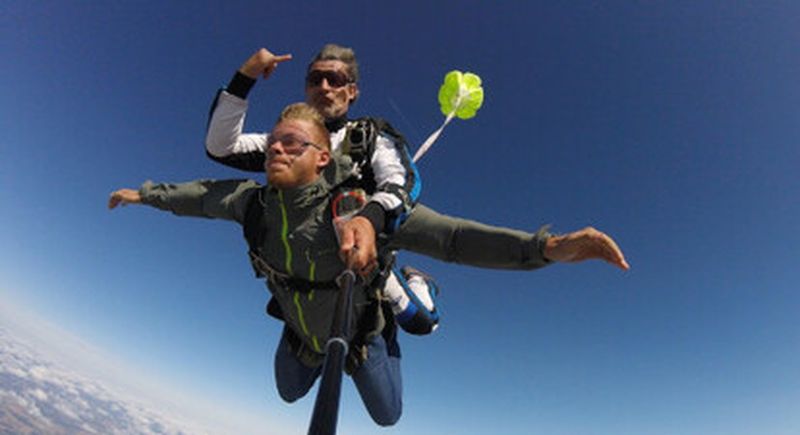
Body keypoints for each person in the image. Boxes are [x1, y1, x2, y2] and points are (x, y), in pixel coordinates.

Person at [110, 102, 629, 427]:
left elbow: (451, 237)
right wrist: (145, 195)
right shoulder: (254, 202)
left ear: (322, 158)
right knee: (290, 392)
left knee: (387, 415)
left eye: (295, 142)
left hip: (355, 335)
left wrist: (545, 247)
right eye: (273, 141)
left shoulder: (356, 209)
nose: (277, 148)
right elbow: (200, 195)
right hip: (302, 332)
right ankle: (325, 327)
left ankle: (398, 307)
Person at [206, 44, 439, 335]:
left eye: (335, 79)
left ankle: (417, 280)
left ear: (352, 91)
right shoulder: (286, 143)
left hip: (360, 257)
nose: (324, 87)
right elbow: (220, 147)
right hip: (307, 265)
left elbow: (401, 180)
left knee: (422, 324)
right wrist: (244, 78)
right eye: (315, 79)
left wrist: (370, 218)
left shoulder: (369, 137)